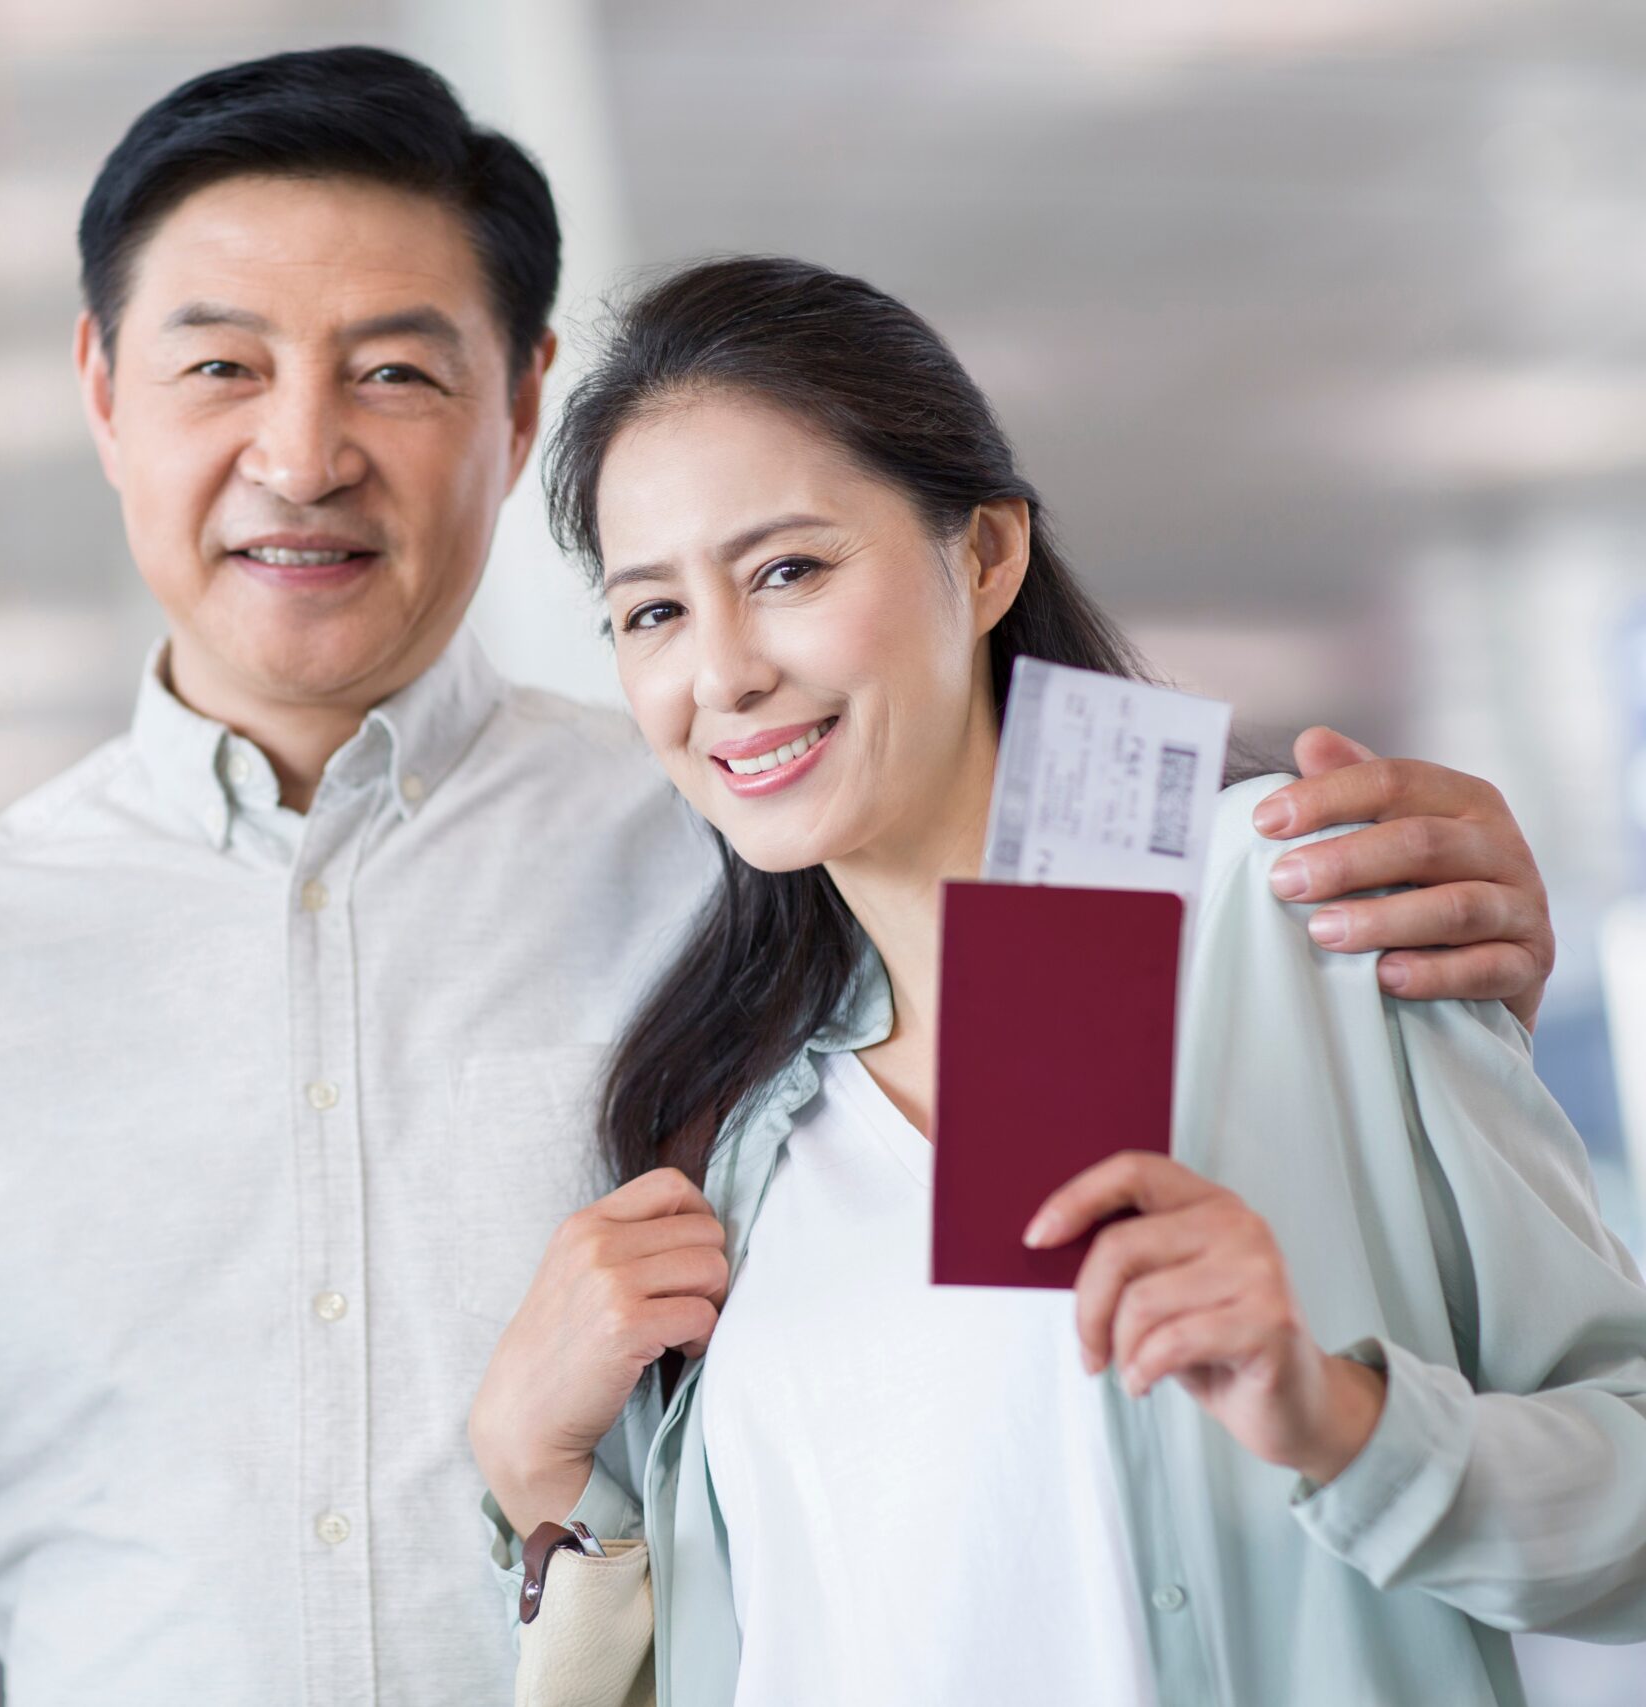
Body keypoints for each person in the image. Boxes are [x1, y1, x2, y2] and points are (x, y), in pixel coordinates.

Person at [0, 49, 1558, 1707]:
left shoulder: (746, 829)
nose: (301, 451)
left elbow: (1126, 1325)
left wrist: (1407, 893)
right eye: (219, 364)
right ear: (101, 394)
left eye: (399, 372)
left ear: (525, 409)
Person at [470, 255, 1646, 1707]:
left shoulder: (1296, 917)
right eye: (652, 612)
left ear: (984, 559)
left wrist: (1338, 1419)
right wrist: (536, 1477)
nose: (723, 674)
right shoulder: (725, 1132)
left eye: (789, 570)